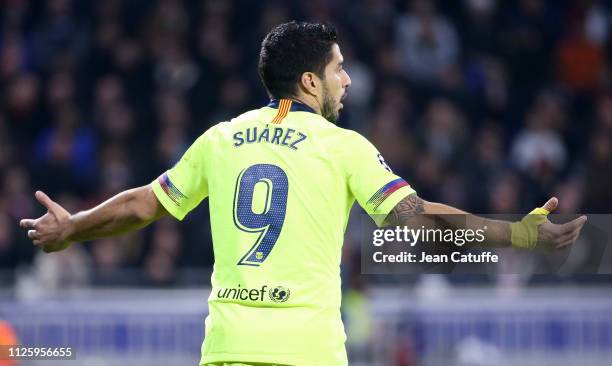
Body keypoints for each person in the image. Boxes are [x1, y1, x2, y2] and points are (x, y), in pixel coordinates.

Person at [20, 22, 587, 366]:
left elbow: (145, 203)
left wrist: (74, 227)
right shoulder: (341, 146)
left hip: (228, 349)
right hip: (306, 354)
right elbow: (420, 220)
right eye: (338, 69)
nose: (345, 79)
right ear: (310, 82)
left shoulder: (222, 138)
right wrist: (517, 232)